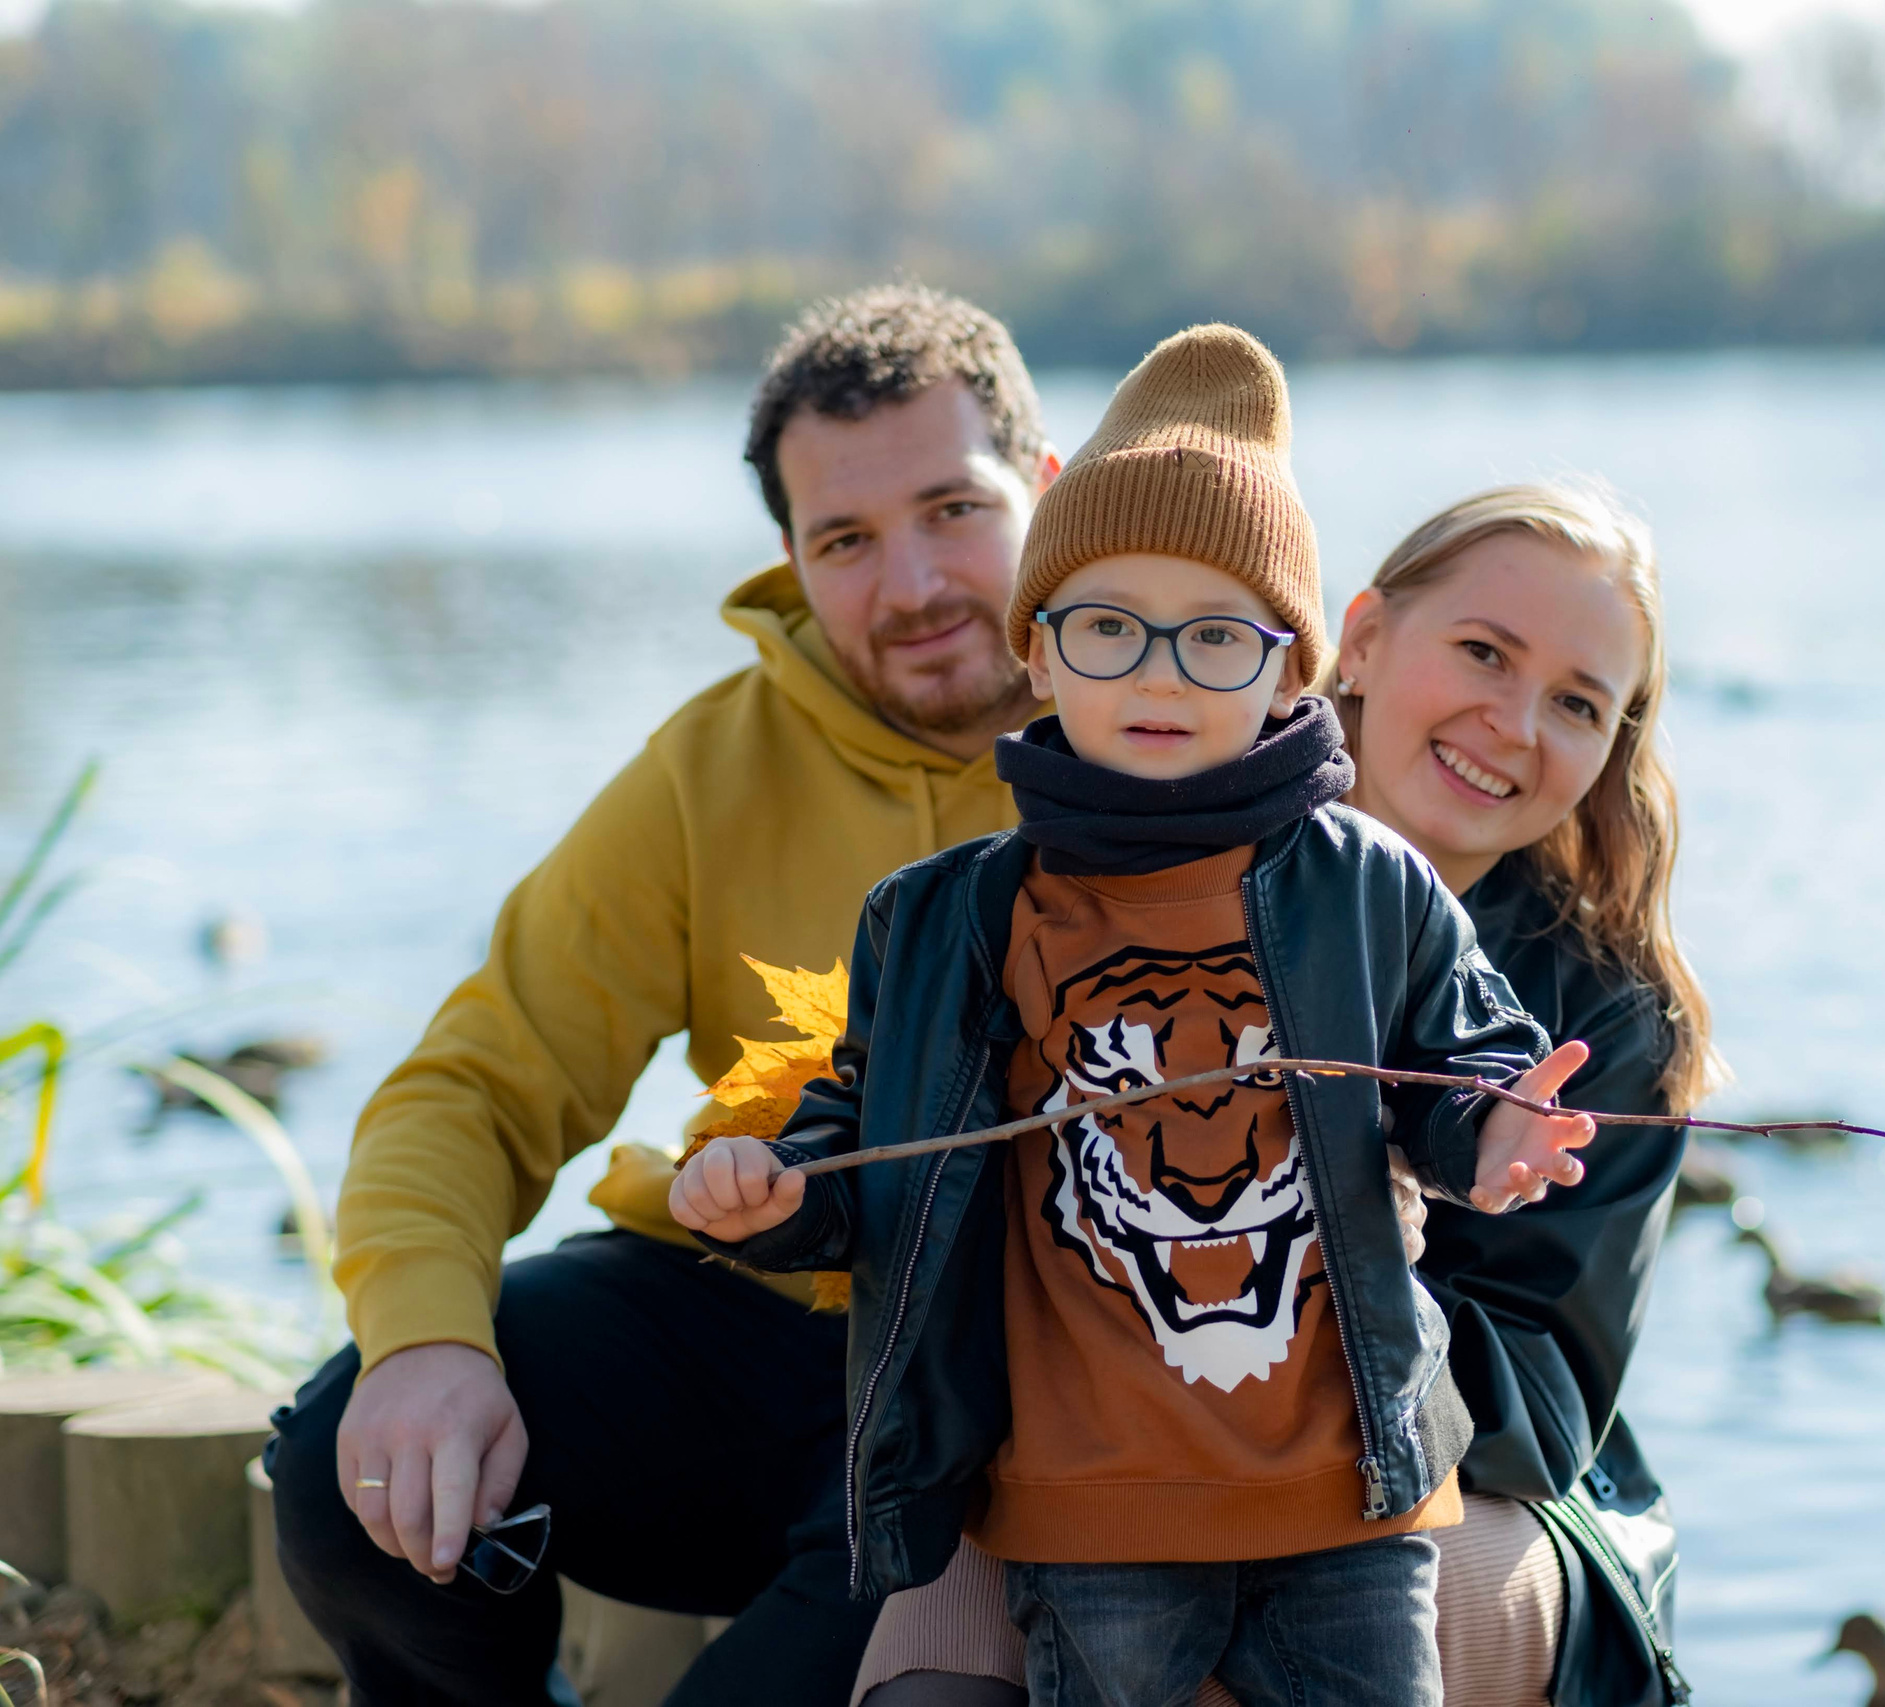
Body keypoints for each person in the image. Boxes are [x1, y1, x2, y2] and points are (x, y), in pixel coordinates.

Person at [668, 323, 1597, 1707]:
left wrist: (1492, 1136)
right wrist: (773, 1193)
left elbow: (1458, 1065)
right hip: (1087, 1512)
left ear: (1291, 667)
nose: (1159, 672)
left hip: (1353, 1502)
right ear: (1038, 652)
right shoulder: (946, 917)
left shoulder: (1371, 884)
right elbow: (863, 1150)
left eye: (1216, 636)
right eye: (1110, 627)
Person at [266, 284, 1062, 1706]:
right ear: (792, 558)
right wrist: (428, 1345)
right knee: (351, 1459)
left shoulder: (1172, 727)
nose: (915, 585)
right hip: (751, 1327)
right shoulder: (707, 773)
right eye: (848, 540)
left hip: (1008, 1400)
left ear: (1047, 488)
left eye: (955, 509)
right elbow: (473, 1082)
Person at [849, 481, 1718, 1707]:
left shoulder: (1611, 1023)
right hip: (1099, 1435)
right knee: (931, 1664)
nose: (1514, 723)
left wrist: (1354, 1272)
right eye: (1482, 652)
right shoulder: (1106, 867)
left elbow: (1548, 1406)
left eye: (1577, 703)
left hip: (1466, 1487)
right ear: (1358, 641)